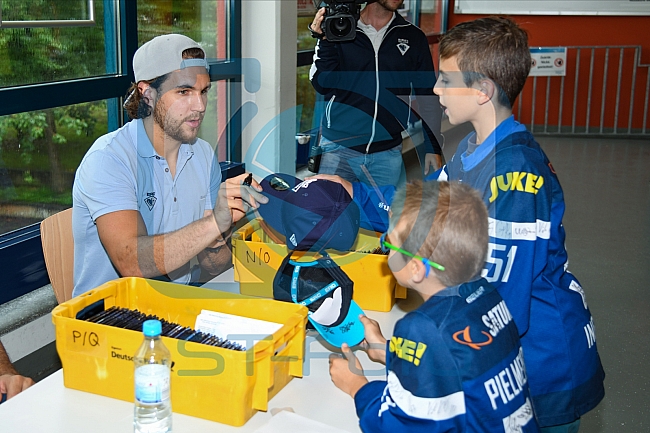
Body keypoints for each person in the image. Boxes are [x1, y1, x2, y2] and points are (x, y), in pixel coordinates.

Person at [318, 16, 605, 432]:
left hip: (540, 366)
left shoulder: (515, 176)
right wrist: (350, 192)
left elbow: (500, 308)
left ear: (483, 90)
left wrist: (407, 355)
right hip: (501, 357)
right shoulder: (473, 150)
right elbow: (419, 215)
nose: (436, 90)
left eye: (447, 80)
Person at [329, 180, 540, 432]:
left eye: (389, 243)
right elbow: (461, 365)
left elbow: (398, 425)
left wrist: (357, 385)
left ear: (416, 269)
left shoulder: (421, 328)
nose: (386, 251)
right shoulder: (486, 293)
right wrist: (388, 352)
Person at [72, 34, 267, 297]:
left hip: (175, 305)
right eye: (184, 92)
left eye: (204, 91)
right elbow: (132, 262)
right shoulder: (109, 159)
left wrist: (222, 227)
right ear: (147, 94)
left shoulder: (202, 155)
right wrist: (211, 224)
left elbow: (214, 266)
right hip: (109, 318)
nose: (199, 106)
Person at [309, 0, 442, 188]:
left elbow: (428, 97)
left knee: (379, 216)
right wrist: (324, 41)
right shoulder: (339, 28)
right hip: (338, 149)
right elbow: (322, 84)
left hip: (387, 153)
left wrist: (432, 147)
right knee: (332, 215)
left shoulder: (413, 37)